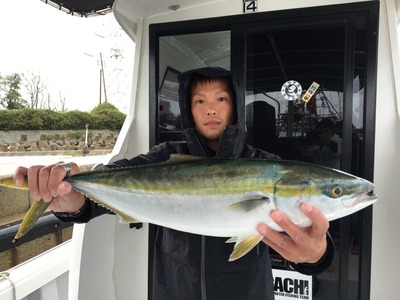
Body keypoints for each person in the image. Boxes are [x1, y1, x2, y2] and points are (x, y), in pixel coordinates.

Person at [13, 67, 334, 299]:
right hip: (174, 290)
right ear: (188, 110)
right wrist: (70, 195)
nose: (210, 108)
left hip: (248, 292)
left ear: (234, 107)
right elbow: (91, 203)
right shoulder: (163, 158)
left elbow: (310, 244)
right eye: (199, 101)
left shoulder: (267, 165)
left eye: (221, 99)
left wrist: (318, 255)